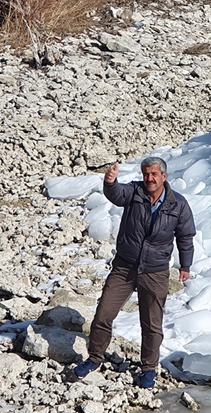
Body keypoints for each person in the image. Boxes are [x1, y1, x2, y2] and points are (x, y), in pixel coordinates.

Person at [74, 155, 195, 389]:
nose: (149, 178)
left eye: (154, 174)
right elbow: (117, 194)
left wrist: (185, 265)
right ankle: (94, 358)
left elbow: (185, 236)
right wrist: (110, 182)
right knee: (103, 314)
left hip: (155, 271)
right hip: (124, 267)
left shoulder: (178, 204)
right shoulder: (134, 192)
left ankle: (148, 369)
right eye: (146, 174)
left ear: (164, 176)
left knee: (151, 324)